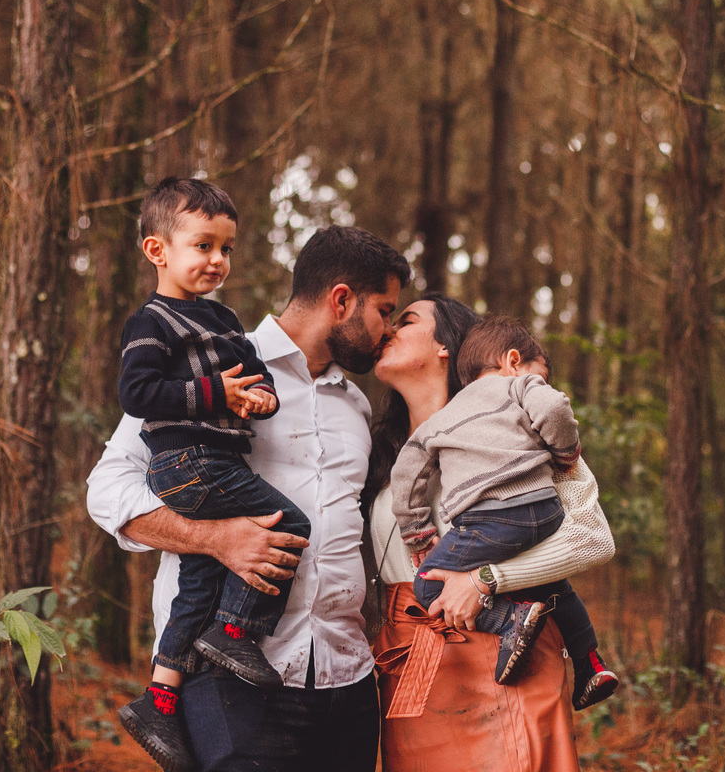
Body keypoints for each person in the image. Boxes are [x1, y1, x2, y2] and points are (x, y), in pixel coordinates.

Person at [87, 222, 411, 772]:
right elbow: (108, 490)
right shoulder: (215, 363)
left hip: (347, 680)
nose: (388, 331)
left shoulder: (356, 406)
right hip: (234, 681)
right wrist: (214, 538)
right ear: (341, 300)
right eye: (384, 310)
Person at [365, 294, 616, 772]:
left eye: (407, 320)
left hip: (505, 647)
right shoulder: (382, 453)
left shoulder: (523, 426)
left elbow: (591, 537)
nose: (386, 330)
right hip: (410, 653)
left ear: (445, 347)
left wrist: (485, 579)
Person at [114, 177, 313, 770]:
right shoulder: (150, 322)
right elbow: (137, 391)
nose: (218, 260)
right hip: (188, 464)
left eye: (226, 248)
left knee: (199, 578)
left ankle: (159, 697)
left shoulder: (225, 321)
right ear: (158, 251)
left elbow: (258, 378)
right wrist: (214, 394)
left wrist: (260, 401)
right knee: (290, 521)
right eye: (203, 246)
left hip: (215, 462)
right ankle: (234, 634)